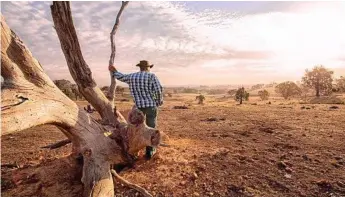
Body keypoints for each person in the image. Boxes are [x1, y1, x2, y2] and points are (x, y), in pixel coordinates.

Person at [108, 60, 163, 159]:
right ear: (148, 68)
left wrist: (114, 71)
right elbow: (158, 90)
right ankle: (149, 152)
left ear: (140, 67)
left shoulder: (132, 76)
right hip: (151, 106)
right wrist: (158, 101)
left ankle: (133, 149)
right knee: (151, 127)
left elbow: (120, 76)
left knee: (137, 129)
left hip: (138, 108)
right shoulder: (151, 76)